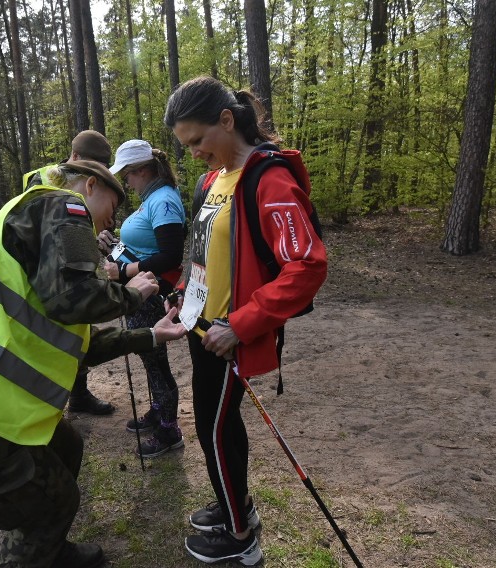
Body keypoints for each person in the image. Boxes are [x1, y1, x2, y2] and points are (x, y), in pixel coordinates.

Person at [0, 159, 187, 568]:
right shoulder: (65, 206)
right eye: (112, 206)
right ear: (91, 186)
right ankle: (30, 552)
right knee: (56, 501)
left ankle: (49, 549)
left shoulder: (37, 217)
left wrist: (151, 335)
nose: (110, 221)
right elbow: (71, 302)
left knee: (65, 446)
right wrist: (132, 293)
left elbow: (76, 338)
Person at [163, 76, 328, 566]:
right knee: (220, 425)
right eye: (185, 146)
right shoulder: (211, 180)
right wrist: (180, 297)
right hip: (201, 326)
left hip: (230, 335)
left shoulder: (268, 178)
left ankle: (240, 539)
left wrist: (242, 324)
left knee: (214, 431)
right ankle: (234, 505)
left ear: (227, 121)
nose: (192, 153)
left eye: (197, 140)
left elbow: (307, 266)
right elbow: (200, 255)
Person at [22, 129, 117, 416]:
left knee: (81, 330)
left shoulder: (88, 187)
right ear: (74, 156)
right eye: (89, 164)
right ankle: (49, 401)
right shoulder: (44, 180)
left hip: (77, 264)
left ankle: (78, 395)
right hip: (47, 273)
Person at [103, 139, 187, 457]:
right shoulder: (152, 197)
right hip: (141, 289)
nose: (125, 180)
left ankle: (169, 430)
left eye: (127, 174)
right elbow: (146, 248)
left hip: (152, 293)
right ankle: (158, 410)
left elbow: (169, 255)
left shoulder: (163, 199)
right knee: (149, 359)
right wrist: (111, 248)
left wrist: (125, 273)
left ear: (141, 170)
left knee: (156, 360)